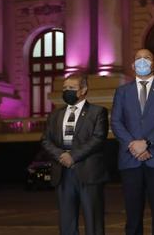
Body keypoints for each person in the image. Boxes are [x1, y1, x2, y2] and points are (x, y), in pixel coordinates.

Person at [111, 48, 154, 235]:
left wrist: (146, 143)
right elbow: (116, 121)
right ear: (132, 66)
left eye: (147, 58)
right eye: (138, 58)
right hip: (130, 159)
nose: (142, 61)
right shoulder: (122, 91)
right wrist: (133, 145)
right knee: (132, 215)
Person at [41, 73, 109, 235]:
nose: (67, 91)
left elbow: (98, 138)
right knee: (66, 222)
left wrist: (73, 156)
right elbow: (45, 140)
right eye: (65, 88)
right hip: (63, 173)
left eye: (71, 88)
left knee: (93, 221)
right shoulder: (55, 114)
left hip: (88, 173)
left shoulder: (98, 112)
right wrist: (60, 155)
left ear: (83, 90)